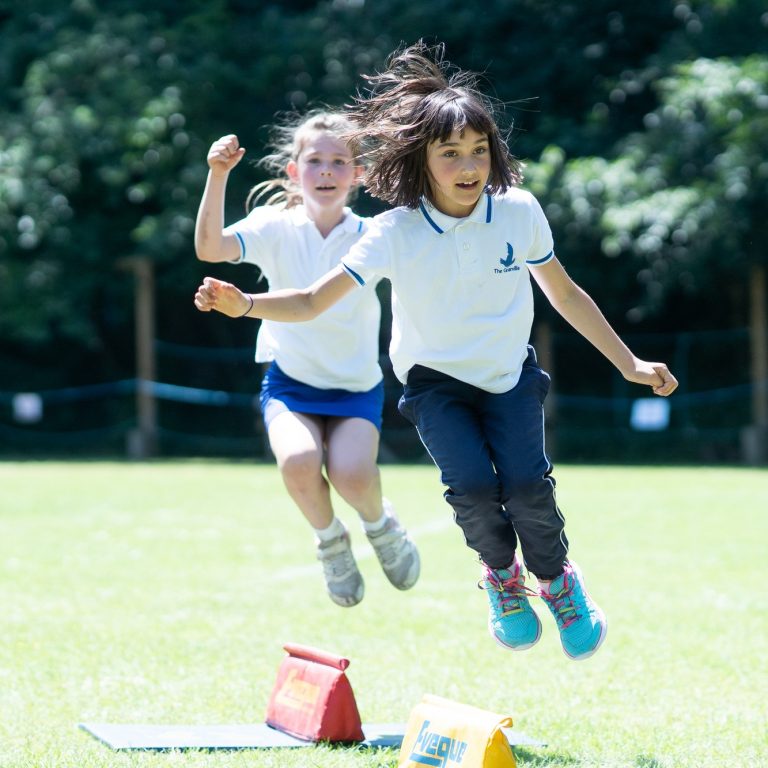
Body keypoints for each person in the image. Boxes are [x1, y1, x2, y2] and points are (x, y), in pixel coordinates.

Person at [194, 44, 678, 660]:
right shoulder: (393, 232)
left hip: (509, 377)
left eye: (478, 149)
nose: (467, 163)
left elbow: (564, 292)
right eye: (449, 152)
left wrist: (629, 363)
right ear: (420, 161)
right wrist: (248, 306)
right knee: (475, 490)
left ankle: (558, 584)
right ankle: (503, 581)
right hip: (434, 386)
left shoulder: (519, 212)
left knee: (528, 486)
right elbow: (315, 299)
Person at [193, 110, 420, 608]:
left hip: (356, 385)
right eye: (314, 160)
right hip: (291, 383)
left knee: (352, 474)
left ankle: (382, 529)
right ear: (294, 172)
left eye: (340, 162)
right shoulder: (274, 227)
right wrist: (218, 174)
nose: (326, 171)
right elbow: (210, 248)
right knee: (297, 461)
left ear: (357, 176)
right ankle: (331, 542)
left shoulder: (372, 235)